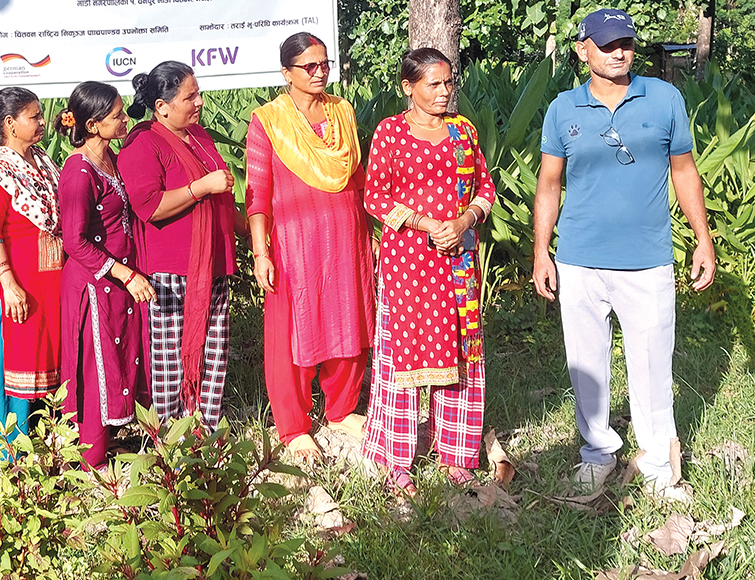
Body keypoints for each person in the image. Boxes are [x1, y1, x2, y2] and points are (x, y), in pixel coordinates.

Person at [532, 8, 715, 502]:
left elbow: (684, 172)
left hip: (647, 260)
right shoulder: (563, 109)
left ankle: (658, 464)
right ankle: (597, 455)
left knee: (653, 364)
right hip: (579, 258)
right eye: (608, 43)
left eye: (626, 43)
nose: (619, 52)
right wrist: (541, 252)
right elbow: (548, 185)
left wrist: (703, 238)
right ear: (582, 49)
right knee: (586, 363)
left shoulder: (663, 99)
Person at [362, 49, 496, 496]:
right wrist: (424, 224)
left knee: (459, 352)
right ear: (408, 87)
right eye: (433, 84)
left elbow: (484, 189)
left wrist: (462, 223)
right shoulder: (391, 133)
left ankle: (456, 455)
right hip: (408, 263)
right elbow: (375, 198)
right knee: (405, 357)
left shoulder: (463, 132)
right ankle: (397, 458)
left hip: (457, 259)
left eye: (448, 82)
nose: (444, 92)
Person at [246, 34, 376, 462]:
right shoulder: (267, 122)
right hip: (293, 246)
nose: (320, 72)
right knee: (295, 330)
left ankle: (340, 410)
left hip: (346, 238)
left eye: (325, 63)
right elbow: (257, 194)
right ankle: (295, 426)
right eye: (310, 66)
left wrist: (372, 236)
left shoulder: (342, 111)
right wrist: (261, 252)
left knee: (349, 319)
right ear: (287, 73)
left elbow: (355, 177)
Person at [118, 61, 239, 429]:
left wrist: (249, 231)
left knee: (213, 349)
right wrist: (200, 187)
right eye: (190, 96)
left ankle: (207, 425)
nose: (199, 102)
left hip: (212, 262)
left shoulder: (199, 136)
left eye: (198, 93)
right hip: (172, 269)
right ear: (162, 107)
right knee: (172, 355)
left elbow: (221, 193)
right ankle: (171, 433)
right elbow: (149, 206)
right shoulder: (144, 144)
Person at [56, 81, 156, 466]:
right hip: (94, 284)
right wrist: (124, 274)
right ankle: (92, 459)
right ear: (93, 125)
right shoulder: (79, 172)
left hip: (117, 281)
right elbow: (74, 241)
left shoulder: (111, 158)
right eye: (116, 115)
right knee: (97, 367)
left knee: (122, 356)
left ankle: (110, 438)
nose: (124, 119)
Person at [0, 87, 62, 442]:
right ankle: (12, 448)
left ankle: (48, 438)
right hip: (16, 281)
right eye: (33, 116)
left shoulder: (43, 162)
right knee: (16, 361)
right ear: (9, 123)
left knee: (47, 355)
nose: (41, 122)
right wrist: (9, 283)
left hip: (47, 280)